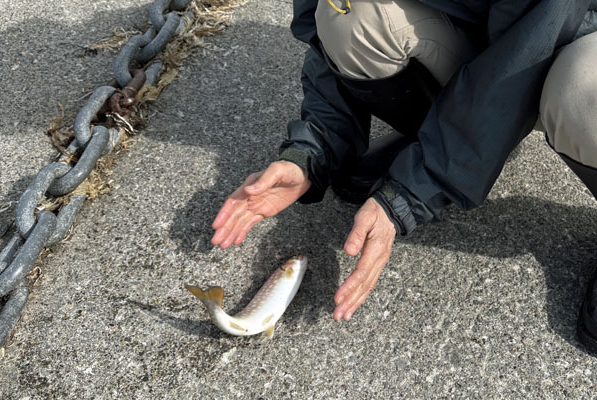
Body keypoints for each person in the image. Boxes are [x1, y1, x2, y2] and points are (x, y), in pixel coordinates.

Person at [211, 0, 597, 351]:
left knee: (581, 92)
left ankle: (465, 150)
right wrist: (313, 148)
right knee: (349, 17)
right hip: (481, 40)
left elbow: (522, 58)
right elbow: (325, 21)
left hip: (573, 39)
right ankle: (448, 144)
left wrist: (411, 193)